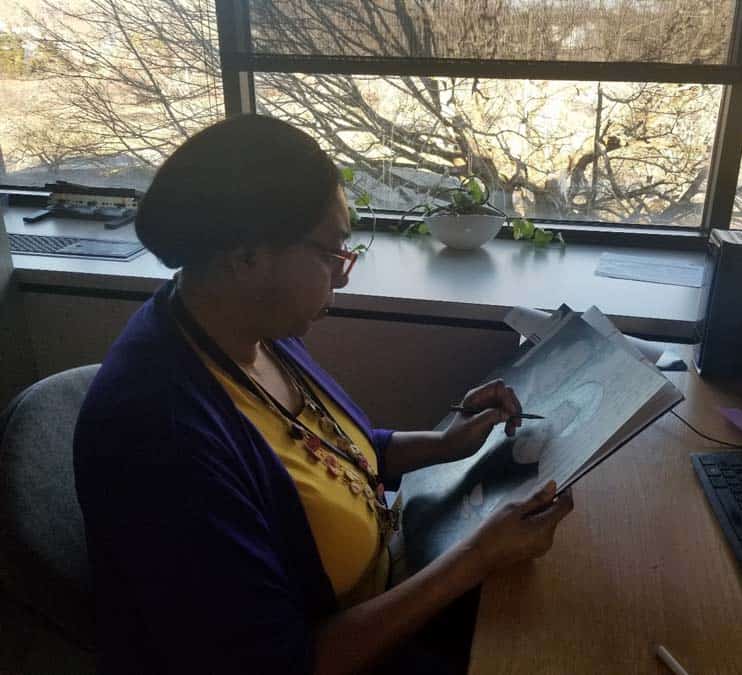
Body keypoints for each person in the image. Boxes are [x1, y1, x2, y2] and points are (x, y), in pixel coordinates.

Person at [73, 114, 574, 675]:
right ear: (246, 256)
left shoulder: (244, 327)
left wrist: (445, 442)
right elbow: (282, 663)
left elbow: (339, 453)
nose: (343, 275)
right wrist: (478, 557)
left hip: (392, 586)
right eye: (331, 251)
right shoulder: (159, 436)